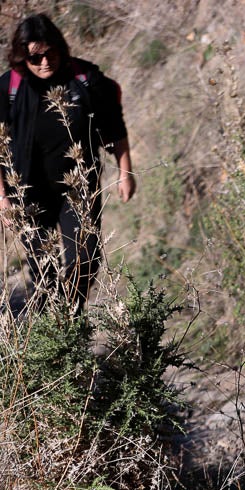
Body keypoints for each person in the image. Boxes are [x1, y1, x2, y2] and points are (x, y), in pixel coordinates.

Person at [0, 13, 135, 313]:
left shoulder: (85, 79)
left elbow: (114, 127)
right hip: (28, 193)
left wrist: (126, 171)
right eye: (36, 58)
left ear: (60, 48)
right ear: (22, 58)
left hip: (78, 187)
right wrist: (3, 198)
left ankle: (68, 317)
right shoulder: (8, 89)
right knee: (42, 269)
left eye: (51, 53)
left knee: (86, 257)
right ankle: (51, 333)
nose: (45, 62)